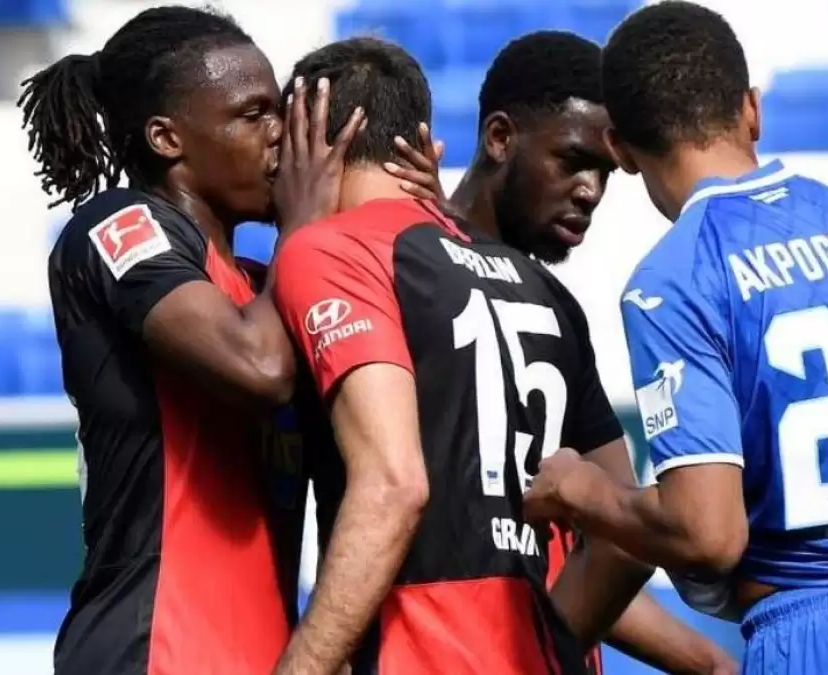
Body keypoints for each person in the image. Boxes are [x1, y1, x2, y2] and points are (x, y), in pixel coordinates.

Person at [522, 3, 828, 674]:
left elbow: (708, 534)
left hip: (815, 636)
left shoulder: (674, 279)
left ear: (620, 149)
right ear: (752, 110)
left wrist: (579, 490)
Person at [269, 36, 651, 675]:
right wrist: (545, 652)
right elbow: (629, 542)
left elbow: (394, 487)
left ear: (304, 140)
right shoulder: (544, 289)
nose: (591, 191)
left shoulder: (334, 250)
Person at [19, 6, 361, 673]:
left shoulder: (265, 287)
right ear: (167, 138)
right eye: (253, 114)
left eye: (280, 110)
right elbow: (259, 368)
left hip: (266, 652)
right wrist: (306, 226)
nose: (281, 135)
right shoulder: (120, 225)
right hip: (155, 646)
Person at [434, 29, 737, 675]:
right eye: (572, 160)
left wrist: (706, 660)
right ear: (499, 137)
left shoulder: (538, 302)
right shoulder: (425, 276)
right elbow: (620, 543)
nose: (591, 190)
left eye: (604, 171)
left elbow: (618, 543)